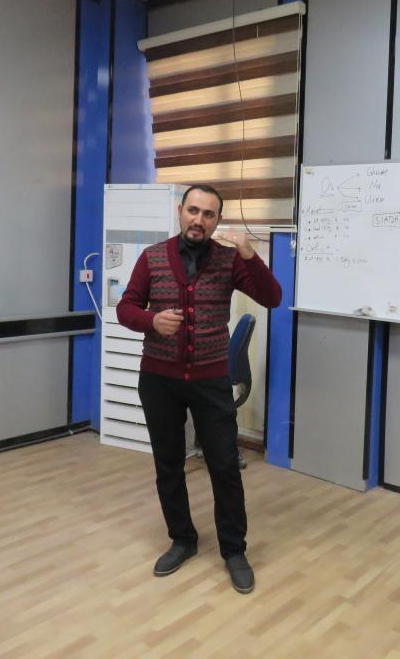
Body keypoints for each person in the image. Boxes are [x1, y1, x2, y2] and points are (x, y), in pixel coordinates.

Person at [116, 184, 282, 594]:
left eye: (208, 214)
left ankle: (234, 550)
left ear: (217, 220)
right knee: (169, 464)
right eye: (193, 210)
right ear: (180, 211)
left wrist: (249, 253)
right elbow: (126, 307)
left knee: (224, 466)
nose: (199, 220)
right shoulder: (152, 257)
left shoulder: (229, 259)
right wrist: (152, 321)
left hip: (210, 380)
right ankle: (183, 539)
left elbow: (272, 297)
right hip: (160, 380)